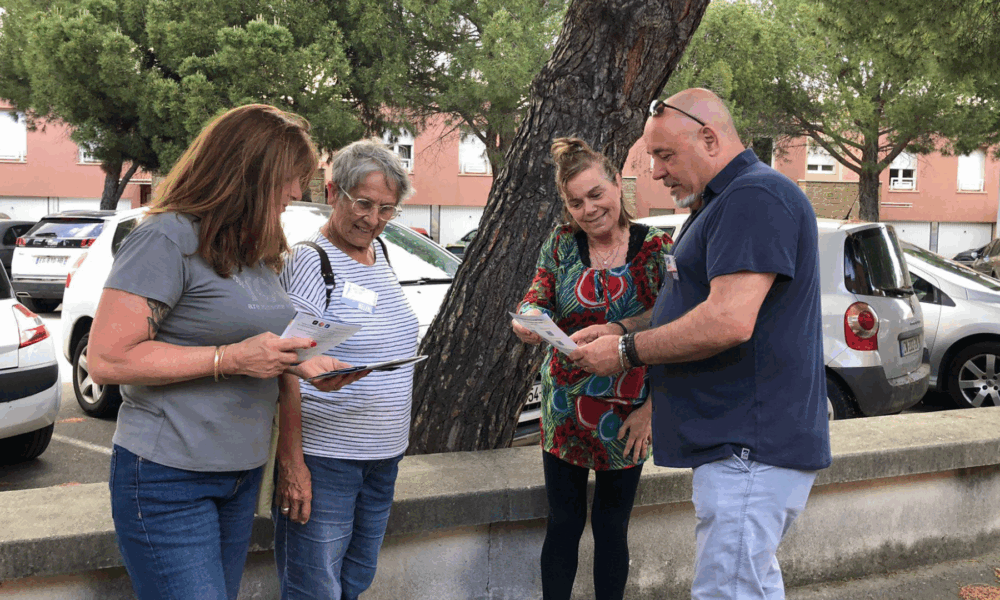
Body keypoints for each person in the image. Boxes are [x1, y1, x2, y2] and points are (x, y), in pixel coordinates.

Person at [570, 88, 832, 600]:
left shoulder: (754, 197)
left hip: (748, 449)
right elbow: (696, 305)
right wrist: (623, 330)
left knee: (728, 592)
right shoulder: (726, 199)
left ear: (710, 138)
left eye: (665, 155)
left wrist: (625, 354)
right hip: (742, 450)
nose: (656, 172)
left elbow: (728, 320)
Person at [89, 104, 359, 600]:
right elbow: (107, 359)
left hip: (239, 476)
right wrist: (229, 359)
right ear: (248, 172)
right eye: (289, 178)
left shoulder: (254, 247)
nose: (296, 192)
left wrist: (303, 363)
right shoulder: (165, 237)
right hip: (168, 476)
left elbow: (261, 346)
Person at [512, 137, 672, 600]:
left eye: (596, 194)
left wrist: (652, 410)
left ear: (618, 183)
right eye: (575, 202)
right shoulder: (561, 243)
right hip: (564, 407)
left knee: (611, 525)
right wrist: (527, 319)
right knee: (563, 522)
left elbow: (675, 324)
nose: (588, 210)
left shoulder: (657, 247)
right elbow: (537, 296)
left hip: (629, 410)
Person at [272, 138, 419, 600]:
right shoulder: (310, 260)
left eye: (386, 209)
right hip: (327, 459)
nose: (373, 220)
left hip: (383, 457)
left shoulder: (381, 253)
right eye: (364, 204)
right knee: (314, 588)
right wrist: (292, 462)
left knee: (355, 580)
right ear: (334, 192)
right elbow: (286, 364)